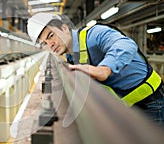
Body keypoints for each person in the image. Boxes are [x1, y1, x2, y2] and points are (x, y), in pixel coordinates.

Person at [27, 12, 164, 125]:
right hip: (125, 108)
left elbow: (125, 44)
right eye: (45, 43)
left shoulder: (94, 34)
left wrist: (105, 68)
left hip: (151, 104)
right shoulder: (71, 57)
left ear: (64, 28)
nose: (50, 44)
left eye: (51, 36)